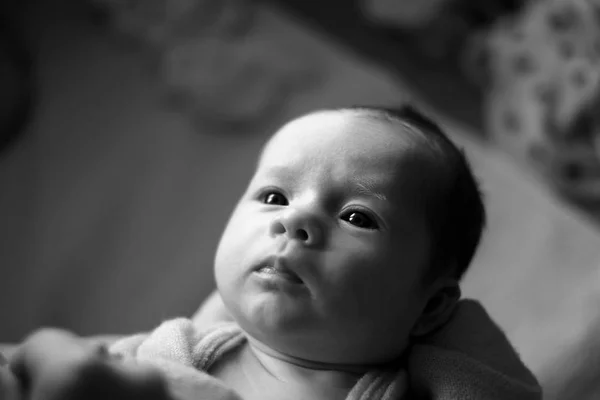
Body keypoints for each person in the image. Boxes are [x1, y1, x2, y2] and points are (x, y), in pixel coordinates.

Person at [0, 105, 541, 400]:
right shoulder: (170, 349)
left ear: (430, 308)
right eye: (274, 196)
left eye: (357, 217)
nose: (295, 218)